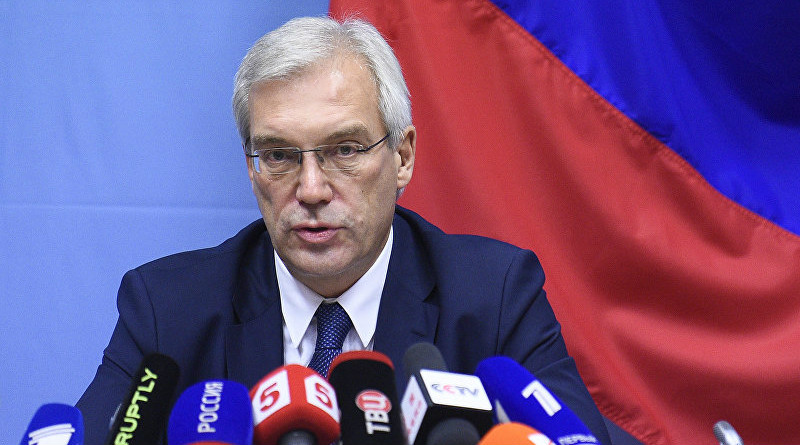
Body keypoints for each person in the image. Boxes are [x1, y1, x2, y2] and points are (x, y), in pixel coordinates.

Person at [77, 16, 611, 445]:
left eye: (345, 150)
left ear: (402, 157)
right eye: (279, 155)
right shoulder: (167, 309)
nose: (311, 189)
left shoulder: (494, 298)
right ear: (251, 169)